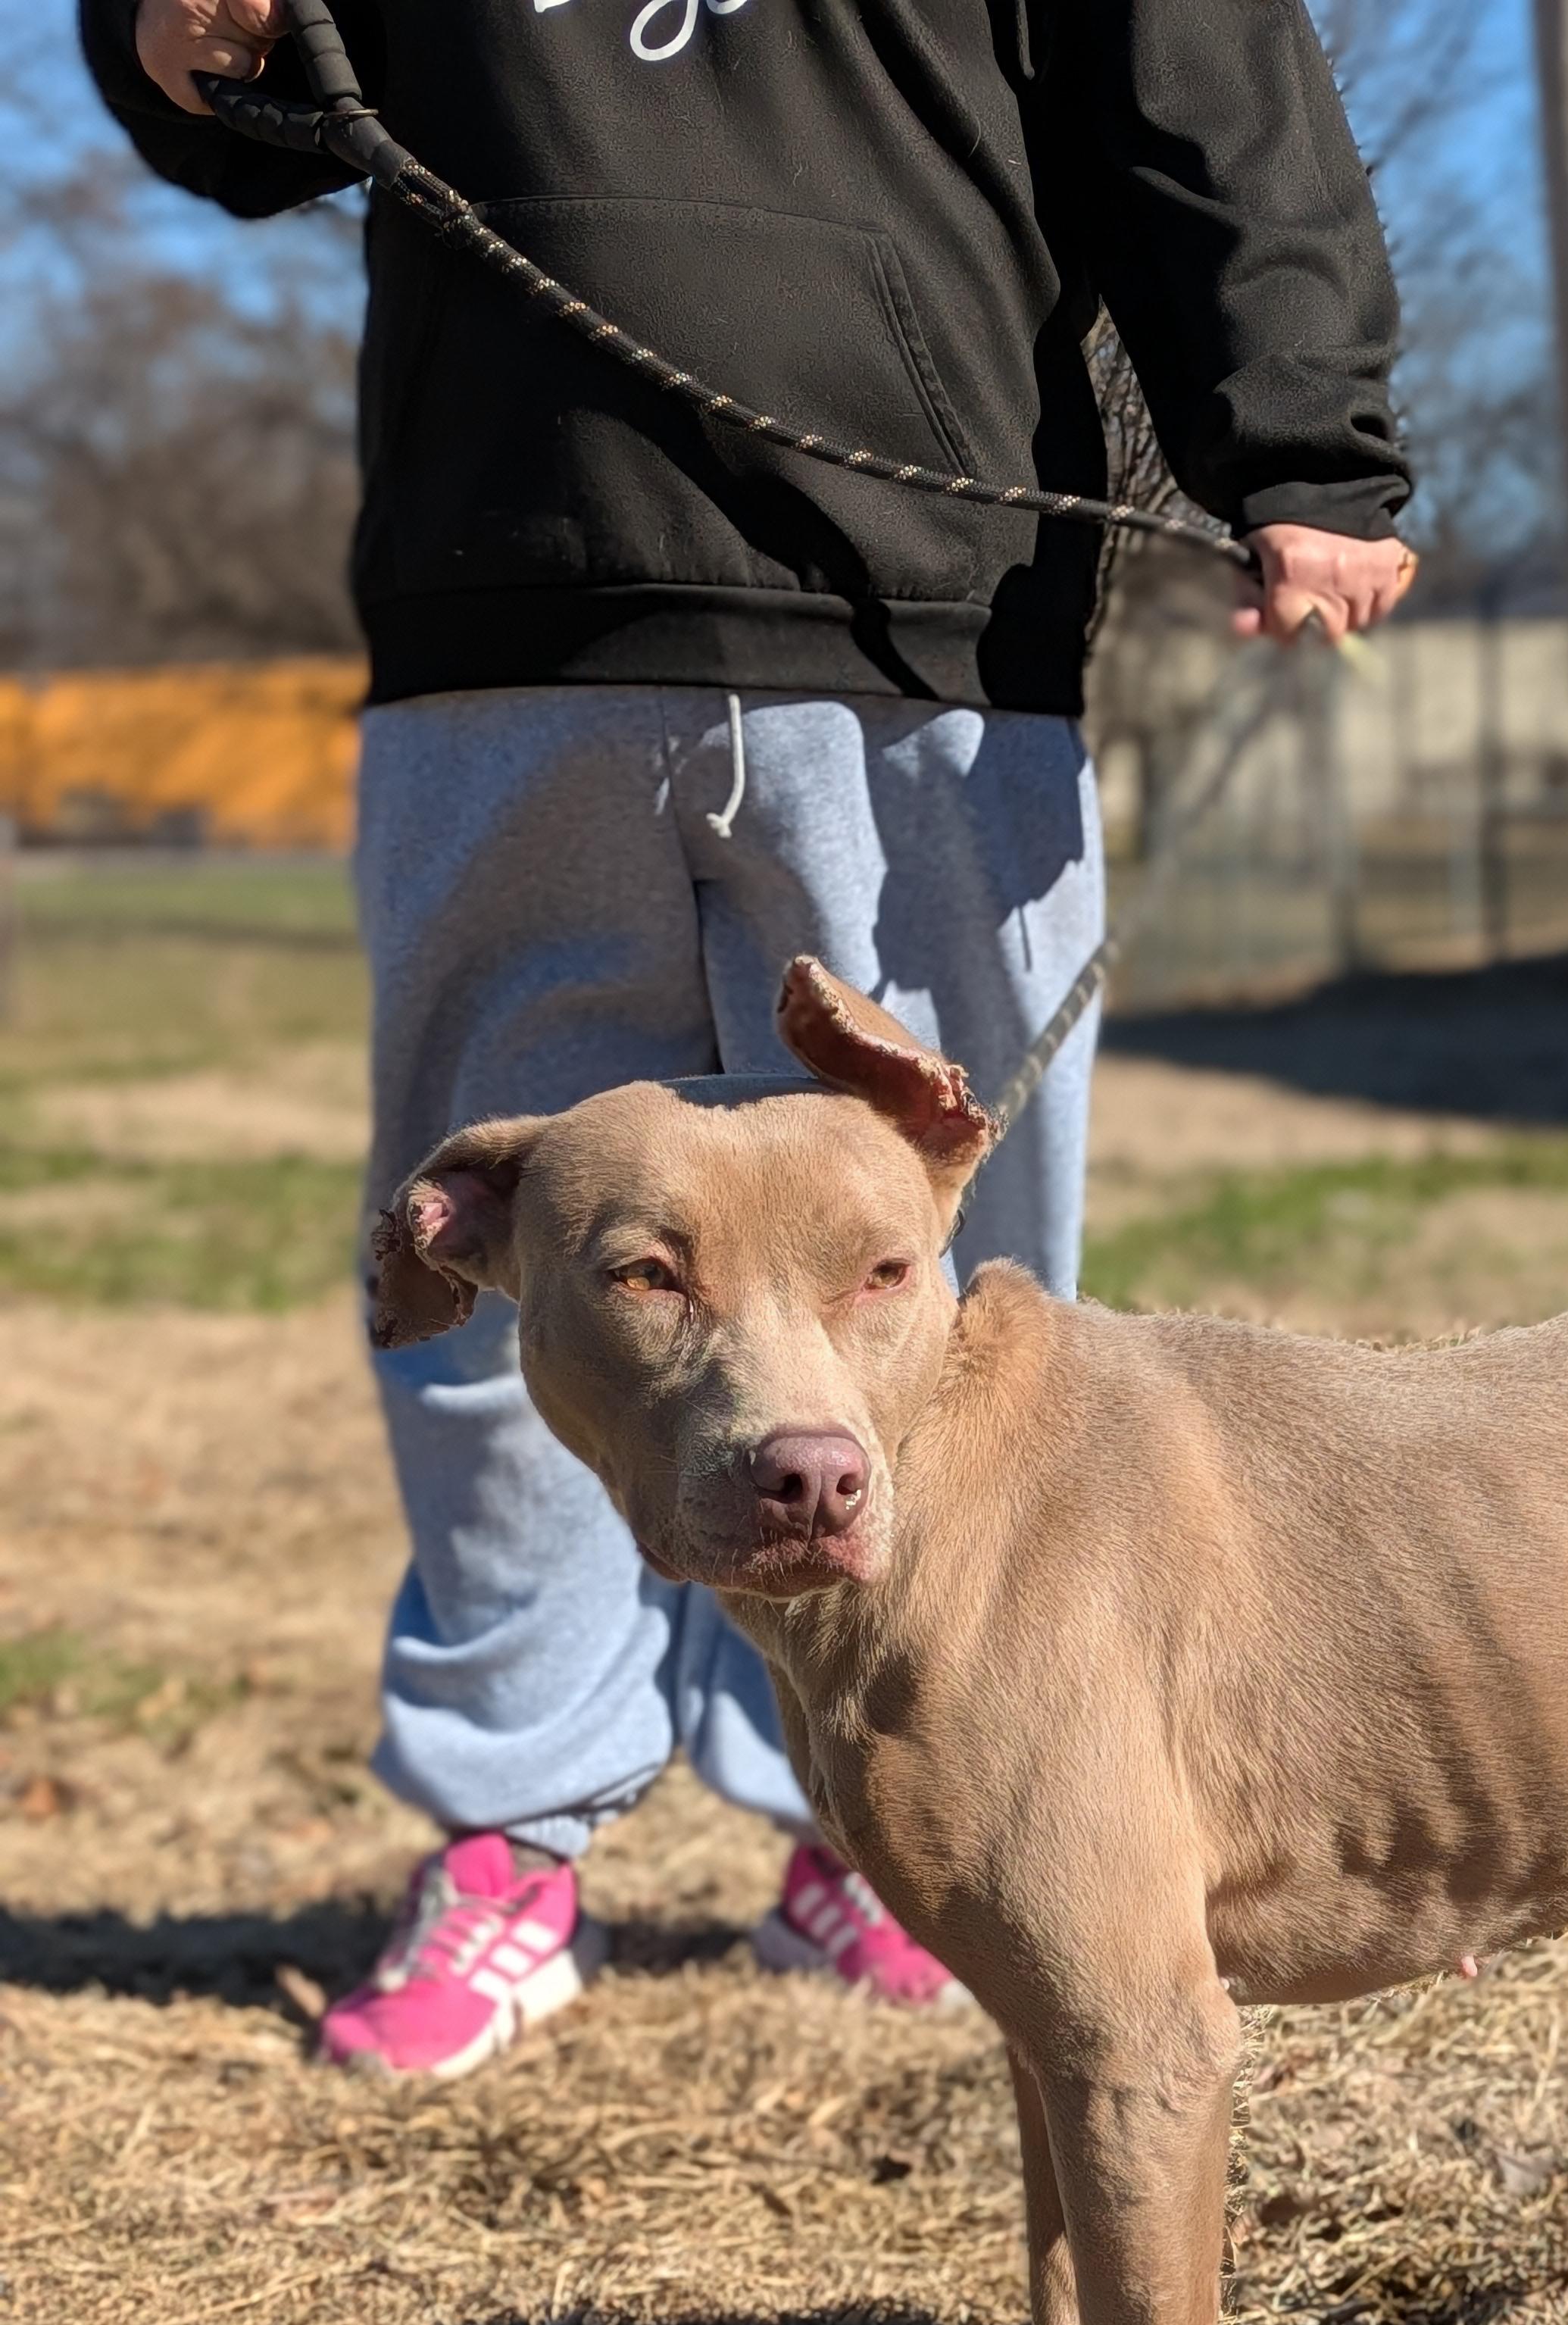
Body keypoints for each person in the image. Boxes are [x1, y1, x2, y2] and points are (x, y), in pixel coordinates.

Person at [83, 0, 1415, 2080]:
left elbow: (1199, 70)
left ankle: (895, 1824)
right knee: (495, 1269)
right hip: (498, 607)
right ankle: (513, 1832)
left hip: (930, 602)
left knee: (929, 1298)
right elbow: (251, 102)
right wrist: (159, 29)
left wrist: (1303, 432)